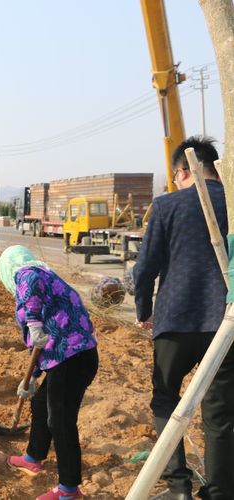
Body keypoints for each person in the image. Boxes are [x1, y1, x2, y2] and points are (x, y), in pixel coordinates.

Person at [133, 136, 233, 500]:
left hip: (175, 319)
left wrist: (144, 309)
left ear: (182, 172)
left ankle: (178, 488)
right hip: (225, 323)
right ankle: (221, 491)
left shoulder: (167, 206)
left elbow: (144, 269)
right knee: (219, 414)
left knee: (165, 398)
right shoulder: (233, 203)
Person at [0, 245, 98, 500]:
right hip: (70, 356)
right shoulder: (48, 280)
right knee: (41, 404)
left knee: (61, 421)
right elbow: (43, 339)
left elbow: (37, 324)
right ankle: (33, 456)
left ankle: (69, 489)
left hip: (72, 359)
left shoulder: (28, 274)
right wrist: (32, 379)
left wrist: (31, 321)